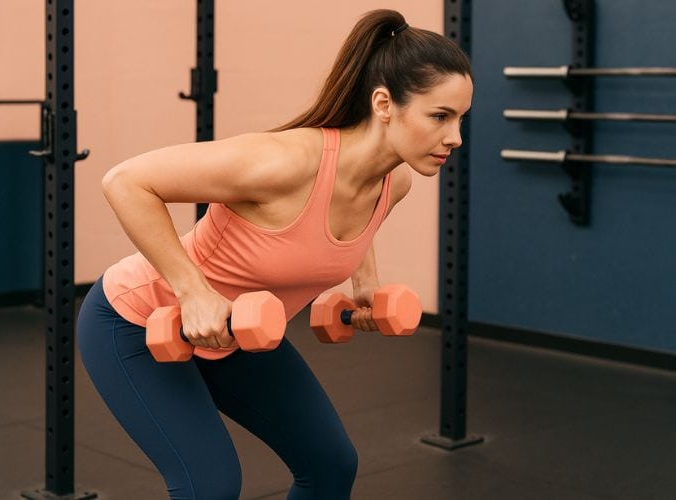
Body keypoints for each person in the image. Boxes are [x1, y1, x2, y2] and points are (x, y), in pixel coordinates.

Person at [77, 8, 473, 500]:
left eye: (459, 118)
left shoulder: (395, 181)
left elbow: (352, 218)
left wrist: (364, 283)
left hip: (235, 336)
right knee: (210, 487)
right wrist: (193, 291)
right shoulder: (284, 162)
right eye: (440, 116)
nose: (455, 137)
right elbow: (126, 181)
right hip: (135, 321)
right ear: (383, 103)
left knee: (330, 465)